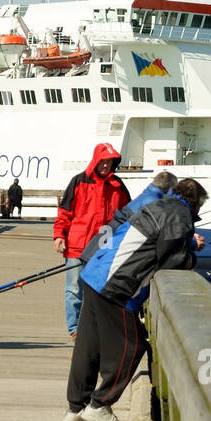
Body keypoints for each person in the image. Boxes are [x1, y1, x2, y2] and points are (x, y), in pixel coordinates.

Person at [63, 176, 207, 421]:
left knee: (89, 346)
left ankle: (76, 408)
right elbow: (171, 259)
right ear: (195, 204)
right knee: (134, 345)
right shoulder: (179, 214)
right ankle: (100, 405)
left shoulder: (158, 205)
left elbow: (157, 242)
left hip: (95, 273)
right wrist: (191, 258)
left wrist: (186, 244)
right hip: (117, 286)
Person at [52, 143, 130, 341]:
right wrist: (59, 234)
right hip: (77, 245)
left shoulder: (118, 186)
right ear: (96, 160)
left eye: (109, 162)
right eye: (102, 161)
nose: (105, 165)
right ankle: (75, 330)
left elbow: (128, 217)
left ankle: (91, 328)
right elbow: (65, 212)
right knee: (74, 290)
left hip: (104, 248)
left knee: (97, 290)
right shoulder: (79, 181)